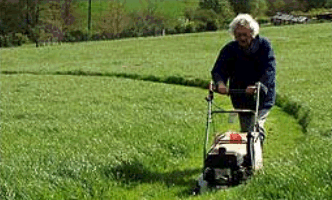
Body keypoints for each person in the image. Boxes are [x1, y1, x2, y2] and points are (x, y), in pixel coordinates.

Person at [211, 14, 276, 145]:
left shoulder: (264, 46)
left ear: (252, 33)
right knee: (246, 130)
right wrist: (220, 83)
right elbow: (218, 69)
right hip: (240, 97)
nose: (242, 38)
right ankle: (246, 157)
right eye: (238, 35)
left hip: (262, 96)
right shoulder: (230, 49)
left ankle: (256, 158)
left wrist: (259, 85)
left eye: (245, 35)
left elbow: (269, 70)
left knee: (257, 128)